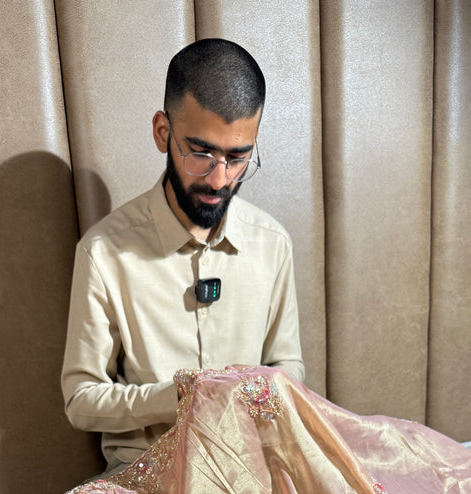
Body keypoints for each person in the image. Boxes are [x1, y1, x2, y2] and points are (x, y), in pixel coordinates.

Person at [61, 38, 306, 471]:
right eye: (200, 152)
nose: (219, 179)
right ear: (163, 132)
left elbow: (287, 367)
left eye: (238, 158)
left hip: (251, 467)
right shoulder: (103, 253)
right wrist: (180, 396)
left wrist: (262, 395)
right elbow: (81, 401)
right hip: (148, 477)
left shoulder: (272, 242)